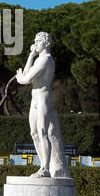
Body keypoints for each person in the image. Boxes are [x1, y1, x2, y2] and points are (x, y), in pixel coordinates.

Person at [15, 31, 70, 178]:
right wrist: (30, 56)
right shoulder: (38, 58)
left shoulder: (46, 59)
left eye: (38, 41)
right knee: (34, 134)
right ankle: (42, 165)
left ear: (46, 43)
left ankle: (45, 168)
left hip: (43, 98)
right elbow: (26, 74)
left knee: (42, 132)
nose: (35, 44)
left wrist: (21, 78)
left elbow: (26, 79)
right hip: (35, 99)